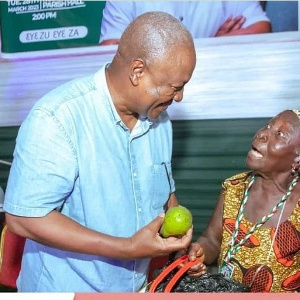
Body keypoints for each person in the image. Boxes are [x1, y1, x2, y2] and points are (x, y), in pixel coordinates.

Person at [3, 11, 197, 292]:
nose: (179, 97)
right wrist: (127, 248)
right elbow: (24, 218)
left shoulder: (160, 122)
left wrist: (178, 241)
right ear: (137, 71)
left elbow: (164, 195)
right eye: (175, 87)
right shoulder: (57, 118)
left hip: (136, 288)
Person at [184, 109, 300, 292]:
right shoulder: (233, 188)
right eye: (267, 126)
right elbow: (212, 240)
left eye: (280, 134)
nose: (262, 134)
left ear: (297, 160)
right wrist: (200, 252)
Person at [99, 1, 271, 46]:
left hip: (209, 86)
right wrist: (212, 44)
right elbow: (110, 50)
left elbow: (261, 28)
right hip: (145, 95)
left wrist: (211, 44)